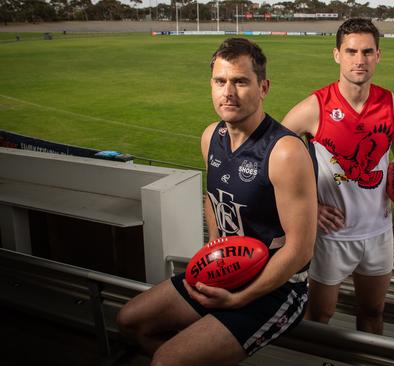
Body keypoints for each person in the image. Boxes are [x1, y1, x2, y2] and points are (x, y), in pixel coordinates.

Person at [117, 38, 317, 366]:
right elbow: (213, 200)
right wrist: (214, 249)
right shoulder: (211, 136)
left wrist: (240, 298)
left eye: (240, 81)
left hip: (277, 290)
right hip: (228, 270)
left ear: (263, 87)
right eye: (220, 81)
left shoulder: (285, 151)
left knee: (168, 361)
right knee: (129, 321)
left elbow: (301, 249)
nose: (228, 92)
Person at [282, 18, 394, 335]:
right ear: (337, 54)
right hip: (332, 236)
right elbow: (273, 162)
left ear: (378, 55)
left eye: (367, 51)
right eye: (351, 51)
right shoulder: (313, 108)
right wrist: (308, 205)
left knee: (373, 311)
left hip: (379, 233)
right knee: (320, 316)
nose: (359, 59)